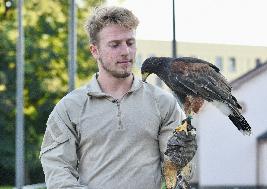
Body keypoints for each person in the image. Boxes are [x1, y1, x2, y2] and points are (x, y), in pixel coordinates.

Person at [40, 6, 196, 189]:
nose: (126, 51)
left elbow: (178, 171)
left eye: (130, 43)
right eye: (115, 45)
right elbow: (57, 169)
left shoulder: (164, 103)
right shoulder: (68, 108)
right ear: (94, 50)